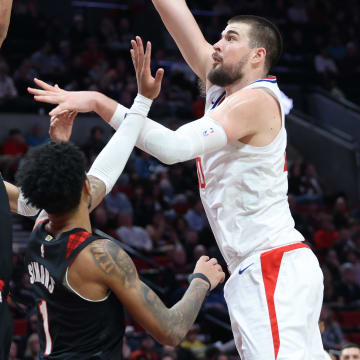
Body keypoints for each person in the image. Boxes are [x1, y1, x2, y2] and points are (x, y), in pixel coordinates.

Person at [27, 20, 326, 360]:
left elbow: (167, 149)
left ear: (258, 55)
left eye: (229, 38)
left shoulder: (253, 101)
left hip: (270, 262)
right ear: (82, 189)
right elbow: (104, 173)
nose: (215, 45)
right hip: (261, 265)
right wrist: (114, 105)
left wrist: (99, 105)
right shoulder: (225, 95)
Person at [20, 44, 225, 359]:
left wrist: (143, 100)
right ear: (85, 192)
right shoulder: (100, 256)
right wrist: (201, 281)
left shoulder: (39, 232)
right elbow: (170, 330)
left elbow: (103, 171)